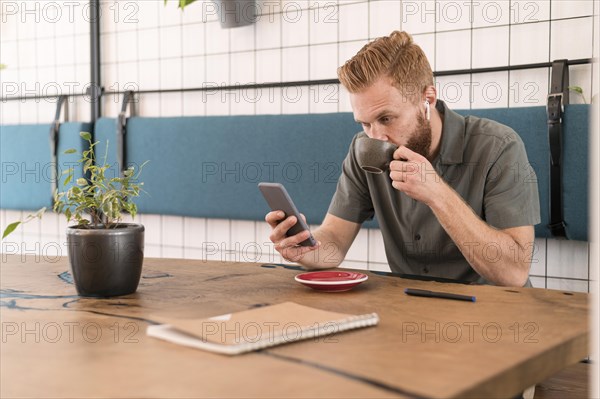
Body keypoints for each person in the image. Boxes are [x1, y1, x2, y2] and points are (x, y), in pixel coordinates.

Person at [265, 31, 540, 287]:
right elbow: (334, 242)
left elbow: (513, 273)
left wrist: (437, 194)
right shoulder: (364, 148)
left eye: (386, 118)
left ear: (427, 98)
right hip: (408, 310)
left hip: (492, 315)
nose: (377, 136)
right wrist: (305, 248)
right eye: (365, 123)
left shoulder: (498, 147)